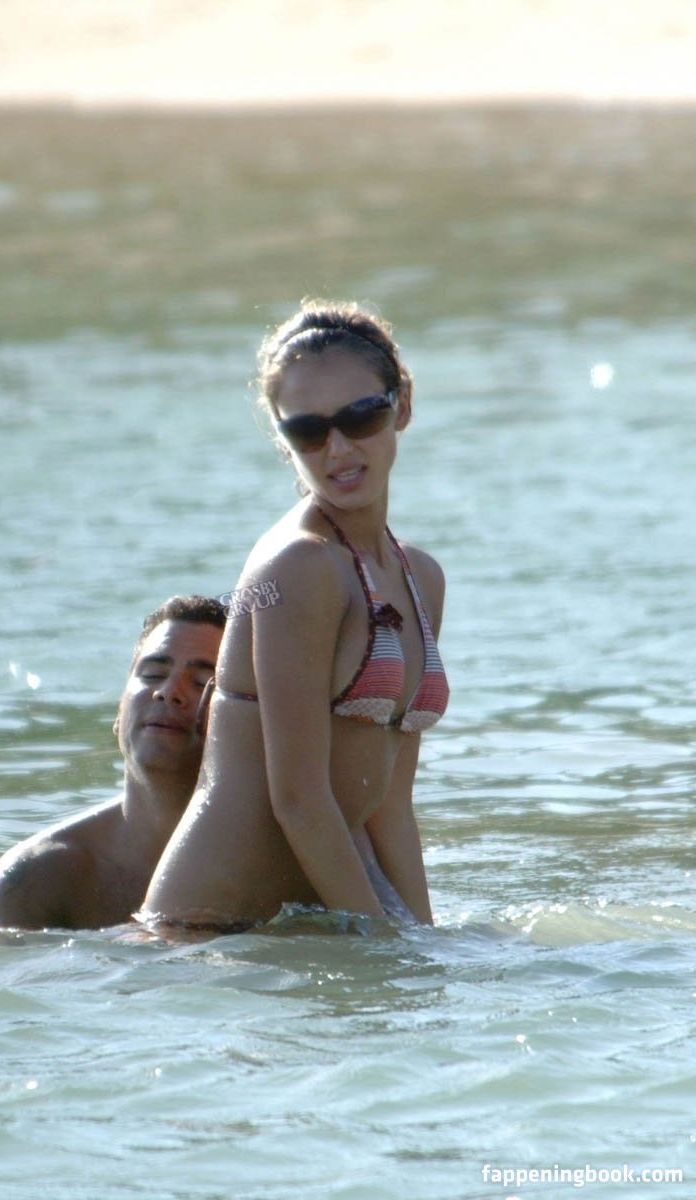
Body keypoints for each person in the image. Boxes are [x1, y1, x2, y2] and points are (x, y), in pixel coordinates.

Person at [142, 300, 449, 932]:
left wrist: (424, 936)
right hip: (207, 933)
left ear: (403, 406)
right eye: (307, 431)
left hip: (304, 920)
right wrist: (384, 948)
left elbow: (390, 808)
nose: (337, 449)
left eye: (361, 417)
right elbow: (299, 800)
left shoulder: (420, 577)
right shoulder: (297, 569)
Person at [0, 595, 226, 930]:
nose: (170, 691)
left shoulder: (276, 866)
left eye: (201, 683)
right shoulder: (38, 876)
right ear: (119, 711)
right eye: (153, 674)